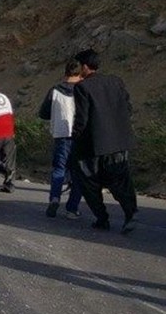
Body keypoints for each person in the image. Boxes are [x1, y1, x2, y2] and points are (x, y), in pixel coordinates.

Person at [71, 49, 137, 232]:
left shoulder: (82, 87)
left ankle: (102, 218)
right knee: (121, 180)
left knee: (89, 182)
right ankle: (131, 213)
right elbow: (128, 108)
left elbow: (82, 120)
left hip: (93, 146)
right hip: (118, 142)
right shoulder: (116, 81)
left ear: (84, 66)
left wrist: (74, 138)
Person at [39, 59, 83, 219]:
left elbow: (43, 113)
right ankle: (72, 208)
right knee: (78, 172)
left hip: (61, 135)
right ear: (80, 74)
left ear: (65, 73)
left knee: (59, 169)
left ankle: (55, 198)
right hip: (79, 136)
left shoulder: (55, 90)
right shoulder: (83, 89)